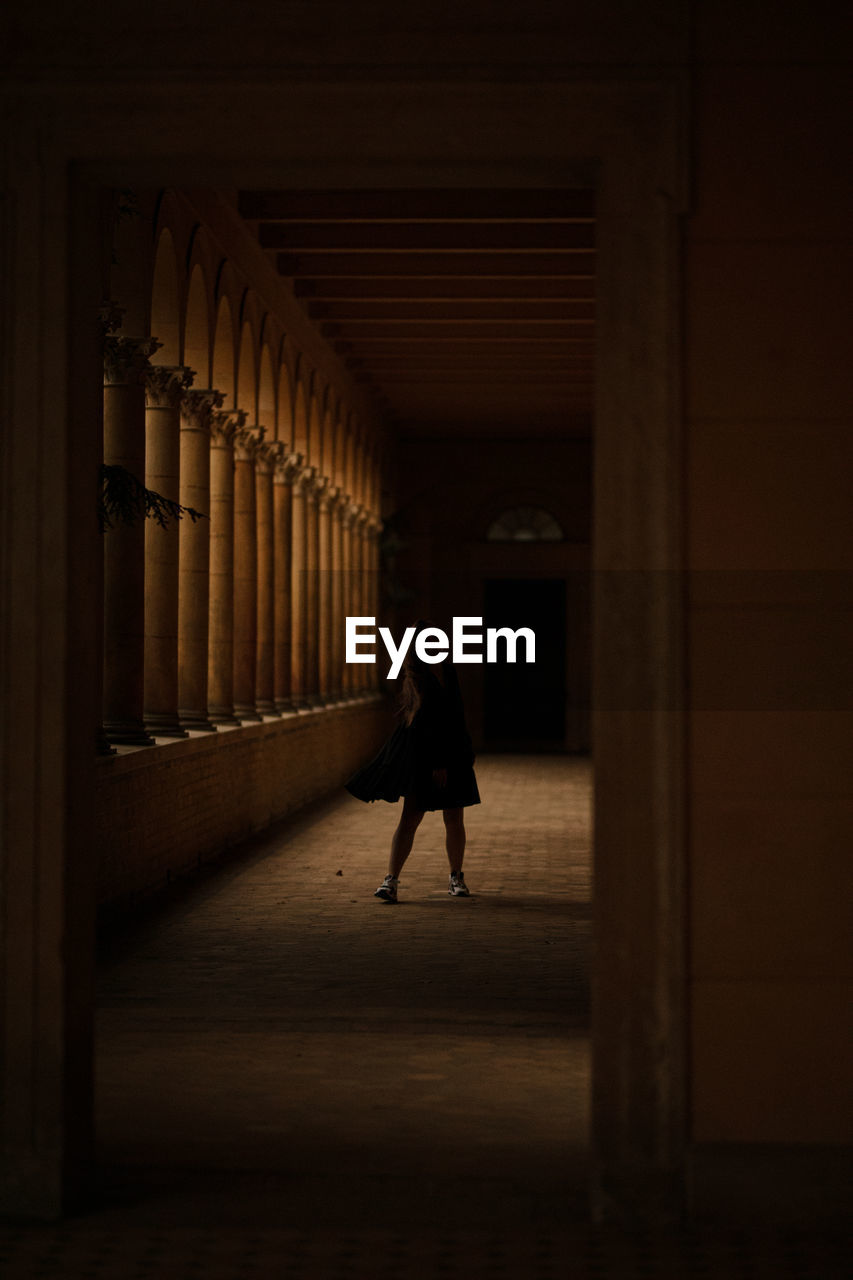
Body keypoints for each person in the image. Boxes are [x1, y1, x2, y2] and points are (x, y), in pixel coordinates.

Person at [345, 625, 480, 903]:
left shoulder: (448, 671)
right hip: (426, 757)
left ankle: (456, 876)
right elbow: (423, 726)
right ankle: (391, 880)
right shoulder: (416, 677)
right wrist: (438, 764)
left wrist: (464, 752)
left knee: (454, 818)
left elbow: (456, 714)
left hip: (453, 754)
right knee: (410, 819)